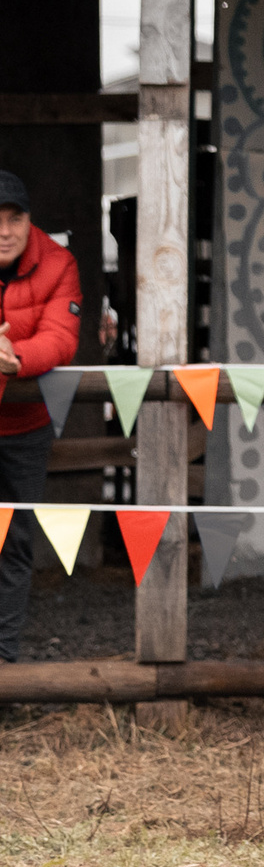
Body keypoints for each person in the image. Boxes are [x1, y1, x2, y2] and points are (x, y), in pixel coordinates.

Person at [0, 171, 82, 662]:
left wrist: (15, 360)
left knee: (12, 547)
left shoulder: (58, 262)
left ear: (30, 221)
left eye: (15, 218)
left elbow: (62, 339)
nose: (5, 230)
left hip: (26, 429)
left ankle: (2, 672)